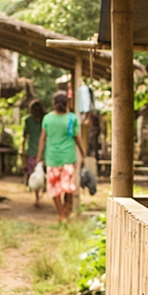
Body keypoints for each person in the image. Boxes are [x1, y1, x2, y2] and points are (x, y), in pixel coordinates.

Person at [38, 92, 83, 224]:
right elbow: (77, 138)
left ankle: (61, 214)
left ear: (53, 104)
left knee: (55, 188)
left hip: (52, 157)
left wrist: (39, 155)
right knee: (68, 186)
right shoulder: (72, 118)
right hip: (68, 157)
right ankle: (67, 209)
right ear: (67, 103)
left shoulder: (47, 118)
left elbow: (42, 138)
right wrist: (83, 152)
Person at [22, 100, 45, 207]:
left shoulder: (43, 120)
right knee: (37, 175)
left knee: (38, 175)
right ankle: (38, 196)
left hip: (38, 151)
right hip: (37, 151)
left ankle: (38, 195)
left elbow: (24, 137)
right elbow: (25, 136)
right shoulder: (30, 120)